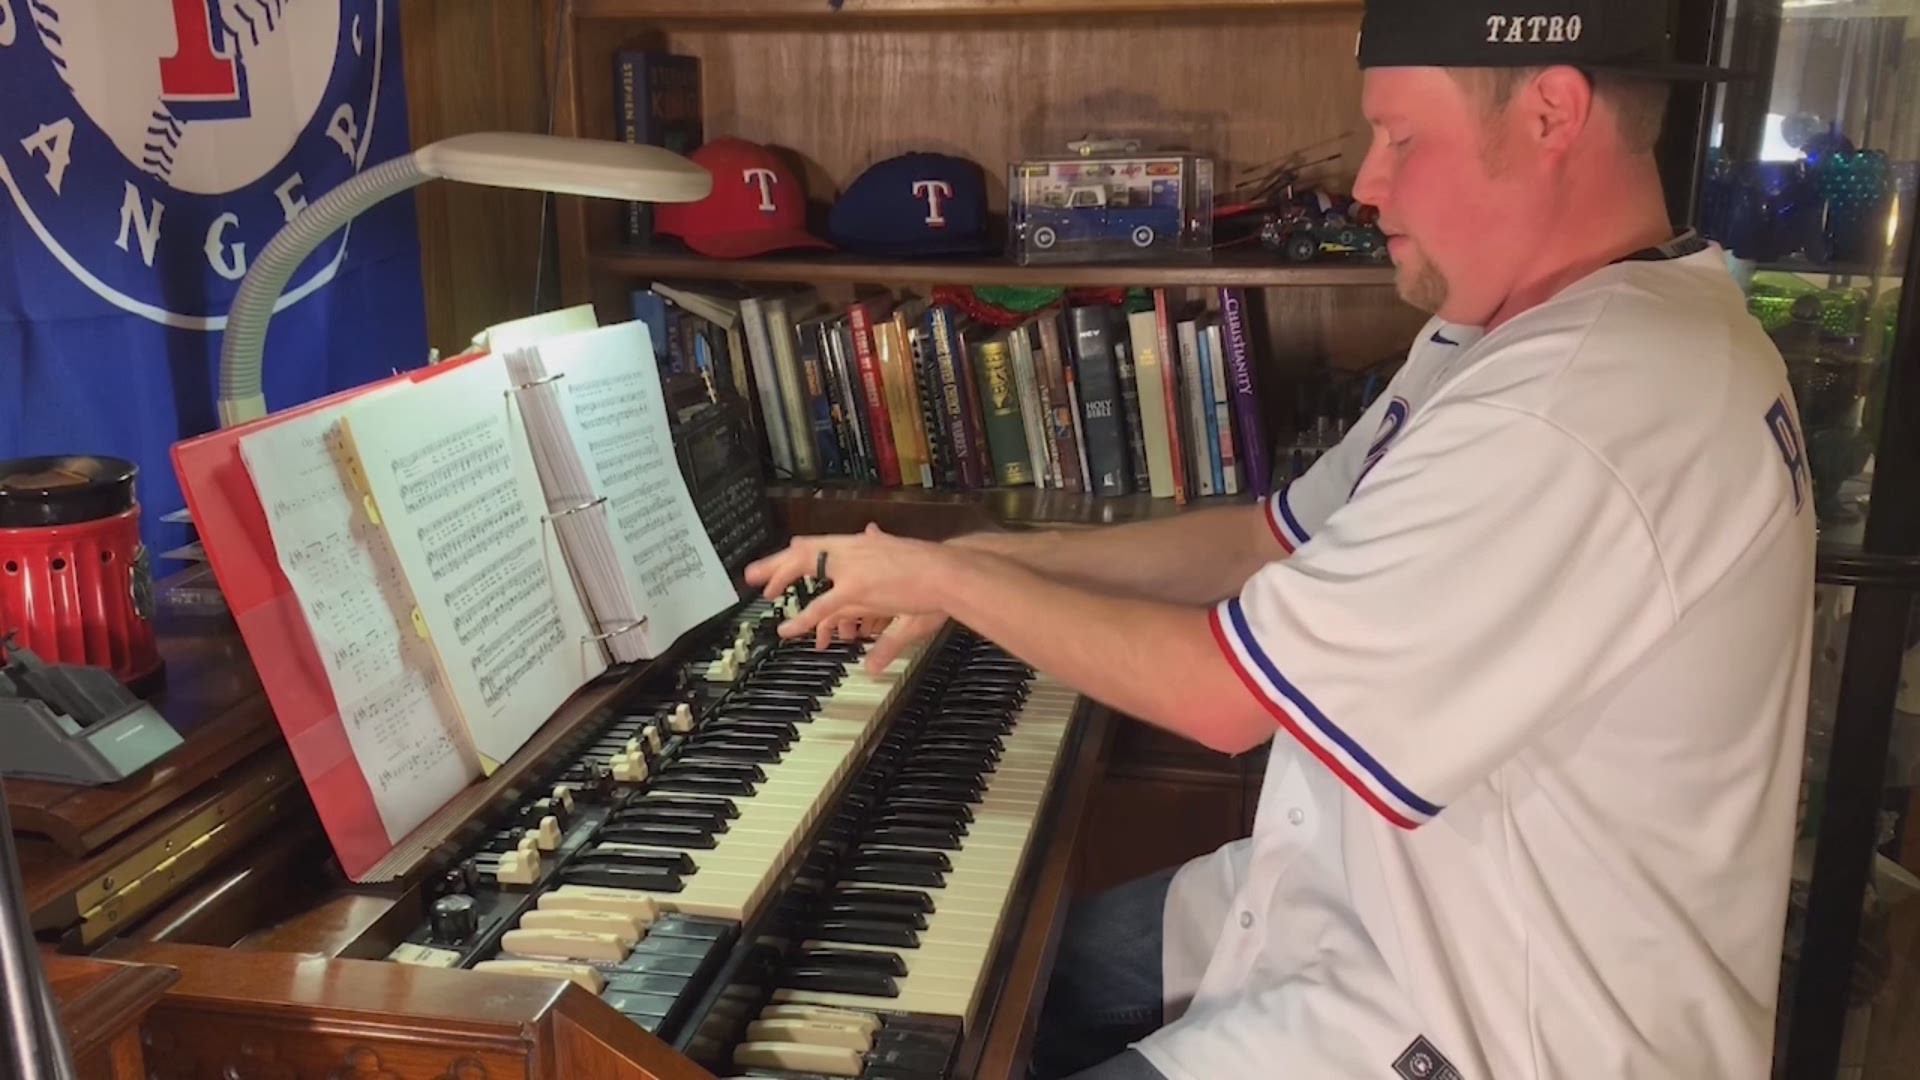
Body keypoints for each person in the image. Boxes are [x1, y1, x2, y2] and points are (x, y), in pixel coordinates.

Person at [745, 0, 1816, 1075]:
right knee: (975, 988)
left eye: (1402, 137)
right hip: (1358, 913)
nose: (1366, 183)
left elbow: (1220, 701)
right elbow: (1266, 542)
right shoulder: (1510, 335)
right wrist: (994, 557)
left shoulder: (1585, 400)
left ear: (1549, 112)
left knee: (945, 1019)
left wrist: (943, 579)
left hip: (1489, 1026)